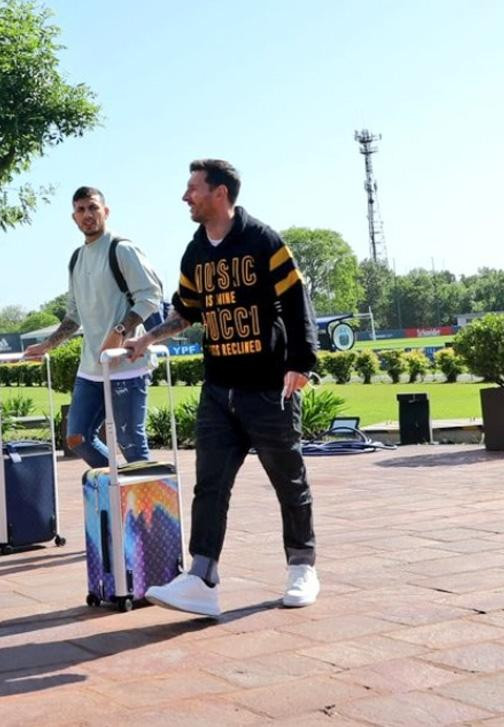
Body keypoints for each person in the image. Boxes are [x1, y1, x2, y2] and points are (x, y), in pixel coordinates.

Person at [124, 159, 320, 617]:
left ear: (220, 194)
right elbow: (186, 312)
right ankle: (202, 577)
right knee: (209, 486)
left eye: (193, 188)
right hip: (219, 390)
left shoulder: (263, 241)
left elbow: (296, 299)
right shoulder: (195, 252)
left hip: (268, 389)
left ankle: (302, 566)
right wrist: (147, 339)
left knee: (289, 480)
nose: (185, 196)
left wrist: (301, 363)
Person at [25, 186, 163, 467]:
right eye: (81, 210)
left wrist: (120, 332)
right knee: (78, 437)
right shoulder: (76, 259)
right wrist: (47, 345)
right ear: (73, 217)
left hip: (127, 362)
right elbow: (74, 316)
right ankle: (118, 492)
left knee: (131, 444)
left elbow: (151, 296)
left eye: (93, 208)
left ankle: (144, 509)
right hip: (91, 367)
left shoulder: (122, 249)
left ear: (106, 211)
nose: (87, 214)